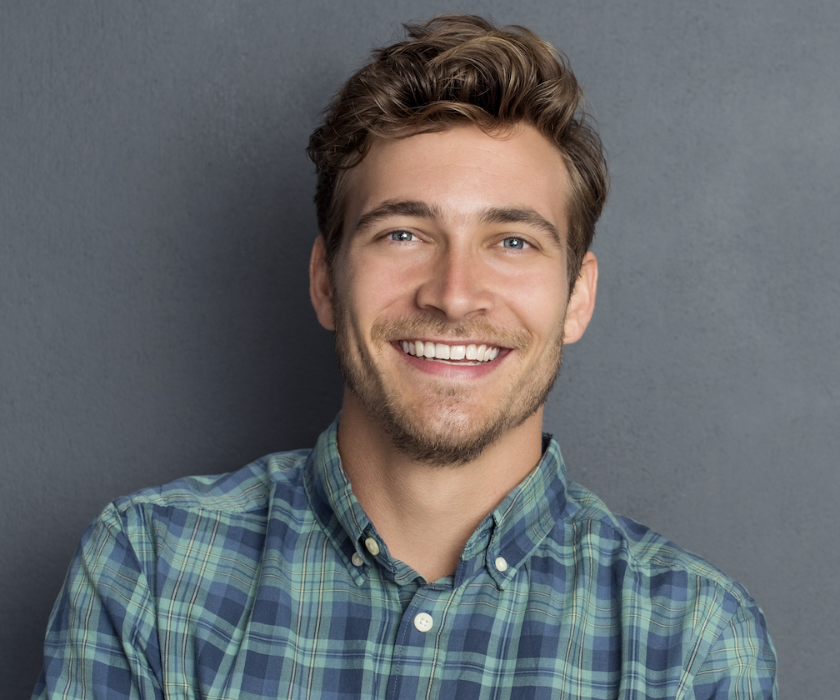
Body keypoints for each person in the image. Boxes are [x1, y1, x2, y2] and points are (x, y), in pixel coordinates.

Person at [33, 15, 777, 699]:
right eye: (403, 234)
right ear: (327, 280)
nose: (454, 295)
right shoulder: (154, 575)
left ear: (577, 297)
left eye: (512, 241)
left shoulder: (691, 645)